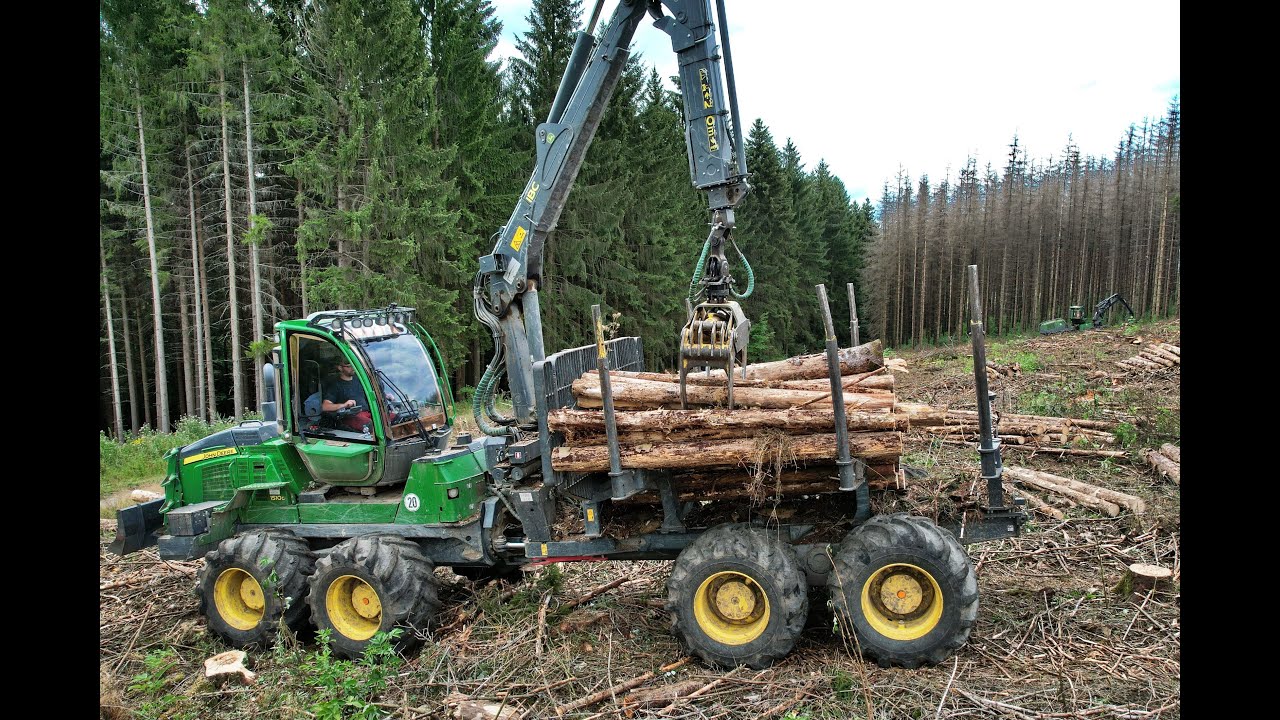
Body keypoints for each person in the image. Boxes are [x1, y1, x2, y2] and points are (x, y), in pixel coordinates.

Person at [322, 358, 372, 432]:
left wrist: (385, 396)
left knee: (392, 419)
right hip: (351, 416)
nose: (352, 368)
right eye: (349, 366)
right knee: (371, 425)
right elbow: (325, 406)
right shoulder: (335, 385)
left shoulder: (359, 380)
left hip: (368, 412)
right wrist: (344, 405)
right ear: (340, 368)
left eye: (353, 365)